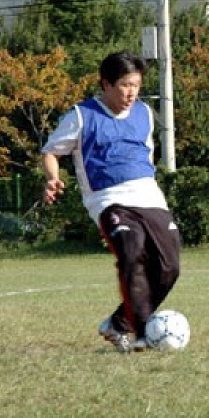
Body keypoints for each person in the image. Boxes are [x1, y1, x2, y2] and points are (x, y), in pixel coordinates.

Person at [41, 51, 180, 352]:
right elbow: (51, 152)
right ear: (106, 84)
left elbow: (146, 154)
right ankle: (142, 334)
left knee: (169, 267)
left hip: (148, 195)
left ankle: (119, 322)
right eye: (124, 85)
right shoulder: (81, 115)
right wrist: (53, 178)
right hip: (108, 199)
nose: (131, 92)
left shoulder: (144, 113)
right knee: (132, 252)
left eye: (136, 85)